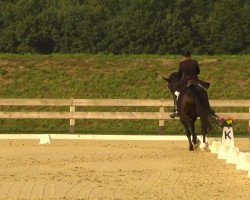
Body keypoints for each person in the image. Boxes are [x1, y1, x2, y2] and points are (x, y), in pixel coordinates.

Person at [170, 51, 201, 118]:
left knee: (176, 93)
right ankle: (205, 109)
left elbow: (179, 74)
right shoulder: (195, 62)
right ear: (190, 56)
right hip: (194, 79)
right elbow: (198, 72)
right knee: (202, 91)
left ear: (184, 57)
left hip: (185, 80)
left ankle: (176, 111)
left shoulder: (182, 63)